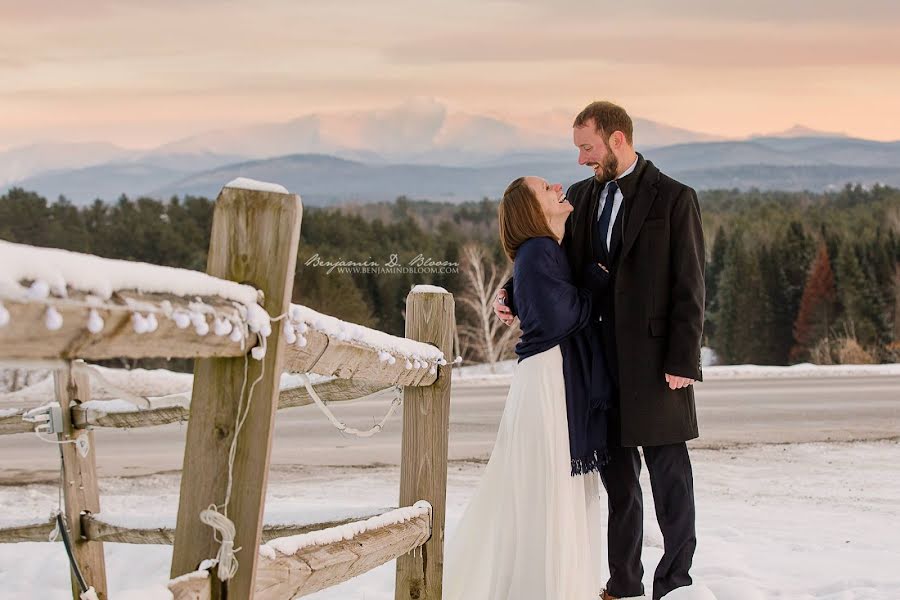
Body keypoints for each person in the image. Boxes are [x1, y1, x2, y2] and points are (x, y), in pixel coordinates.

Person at [494, 101, 706, 600]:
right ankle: (624, 583)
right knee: (619, 485)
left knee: (670, 481)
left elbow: (690, 285)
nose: (581, 159)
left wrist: (683, 360)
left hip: (658, 367)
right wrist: (511, 290)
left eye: (586, 147)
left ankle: (675, 583)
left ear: (616, 139)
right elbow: (552, 261)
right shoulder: (583, 199)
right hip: (598, 366)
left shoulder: (675, 198)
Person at [443, 175, 613, 600]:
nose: (558, 186)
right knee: (548, 484)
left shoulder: (547, 251)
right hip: (548, 380)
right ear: (532, 211)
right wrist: (594, 282)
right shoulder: (538, 252)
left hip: (554, 375)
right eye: (544, 188)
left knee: (552, 484)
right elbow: (559, 318)